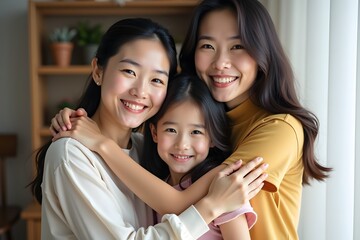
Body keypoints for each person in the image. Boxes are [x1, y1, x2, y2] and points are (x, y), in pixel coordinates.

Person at [52, 0, 332, 239]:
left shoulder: (277, 130)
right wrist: (78, 127)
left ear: (262, 52)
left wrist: (100, 142)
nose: (221, 62)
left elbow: (178, 202)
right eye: (208, 45)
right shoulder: (152, 146)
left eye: (237, 47)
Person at [29, 17, 268, 239]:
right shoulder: (71, 154)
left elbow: (175, 201)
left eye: (156, 80)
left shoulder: (148, 149)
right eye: (129, 71)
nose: (141, 91)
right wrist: (210, 208)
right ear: (98, 71)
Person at [144, 74, 257, 239]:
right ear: (154, 133)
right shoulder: (156, 188)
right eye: (171, 130)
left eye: (196, 132)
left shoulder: (222, 187)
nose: (182, 144)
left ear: (211, 137)